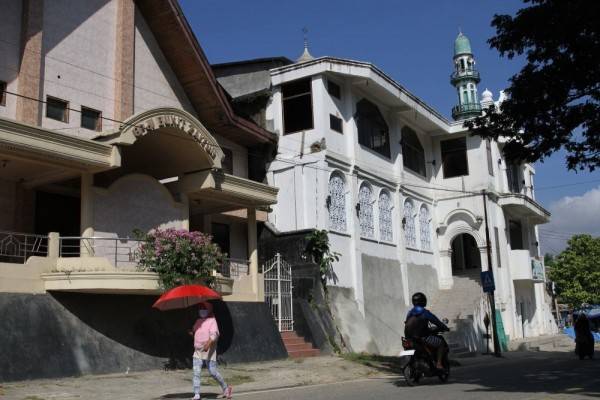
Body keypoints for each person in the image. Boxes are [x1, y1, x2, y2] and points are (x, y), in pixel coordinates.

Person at [190, 302, 232, 400]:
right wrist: (191, 332)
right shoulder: (198, 321)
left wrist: (208, 344)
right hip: (198, 351)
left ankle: (225, 388)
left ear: (209, 310)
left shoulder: (212, 321)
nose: (202, 311)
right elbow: (195, 332)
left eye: (204, 309)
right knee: (196, 372)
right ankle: (196, 394)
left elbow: (214, 334)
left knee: (212, 372)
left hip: (209, 351)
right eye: (200, 309)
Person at [404, 292, 449, 370]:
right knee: (441, 343)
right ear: (423, 301)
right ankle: (438, 363)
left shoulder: (410, 313)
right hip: (423, 337)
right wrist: (444, 327)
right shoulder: (424, 312)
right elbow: (436, 321)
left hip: (409, 338)